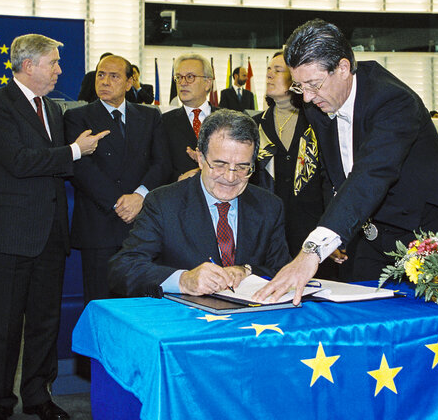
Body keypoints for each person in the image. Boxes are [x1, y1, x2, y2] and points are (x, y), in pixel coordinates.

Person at [254, 19, 438, 305]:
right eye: (299, 87)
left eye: (313, 84)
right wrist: (335, 232)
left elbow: (370, 174)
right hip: (368, 233)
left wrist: (314, 248)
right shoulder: (319, 102)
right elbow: (331, 176)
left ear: (344, 68)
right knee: (361, 318)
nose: (307, 98)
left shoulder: (393, 101)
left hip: (426, 234)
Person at [0, 34, 108, 420]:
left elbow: (50, 165)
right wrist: (74, 151)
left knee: (44, 323)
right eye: (53, 62)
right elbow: (18, 161)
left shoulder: (51, 109)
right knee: (3, 326)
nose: (59, 70)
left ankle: (38, 396)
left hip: (50, 235)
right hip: (9, 235)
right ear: (29, 64)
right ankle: (0, 403)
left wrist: (74, 152)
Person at [108, 110, 291, 298]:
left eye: (243, 167)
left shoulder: (269, 206)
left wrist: (247, 270)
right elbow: (123, 269)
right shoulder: (164, 204)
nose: (230, 177)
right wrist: (183, 280)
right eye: (219, 165)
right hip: (184, 320)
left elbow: (282, 269)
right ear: (201, 159)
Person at [64, 54, 170, 303]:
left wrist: (139, 197)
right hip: (99, 224)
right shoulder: (77, 117)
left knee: (140, 302)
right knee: (101, 302)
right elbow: (81, 168)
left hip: (142, 224)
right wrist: (118, 202)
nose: (105, 81)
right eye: (101, 74)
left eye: (114, 76)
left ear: (129, 82)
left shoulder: (150, 116)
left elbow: (162, 163)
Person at [251, 51, 340, 275]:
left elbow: (330, 179)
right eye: (268, 70)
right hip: (267, 233)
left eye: (278, 70)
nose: (269, 75)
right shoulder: (254, 125)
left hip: (311, 230)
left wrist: (333, 230)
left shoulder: (319, 121)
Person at [161, 53, 218, 182]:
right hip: (179, 195)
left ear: (207, 83)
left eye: (190, 77)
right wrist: (179, 178)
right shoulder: (163, 122)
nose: (183, 83)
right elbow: (159, 165)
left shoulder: (226, 120)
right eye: (179, 77)